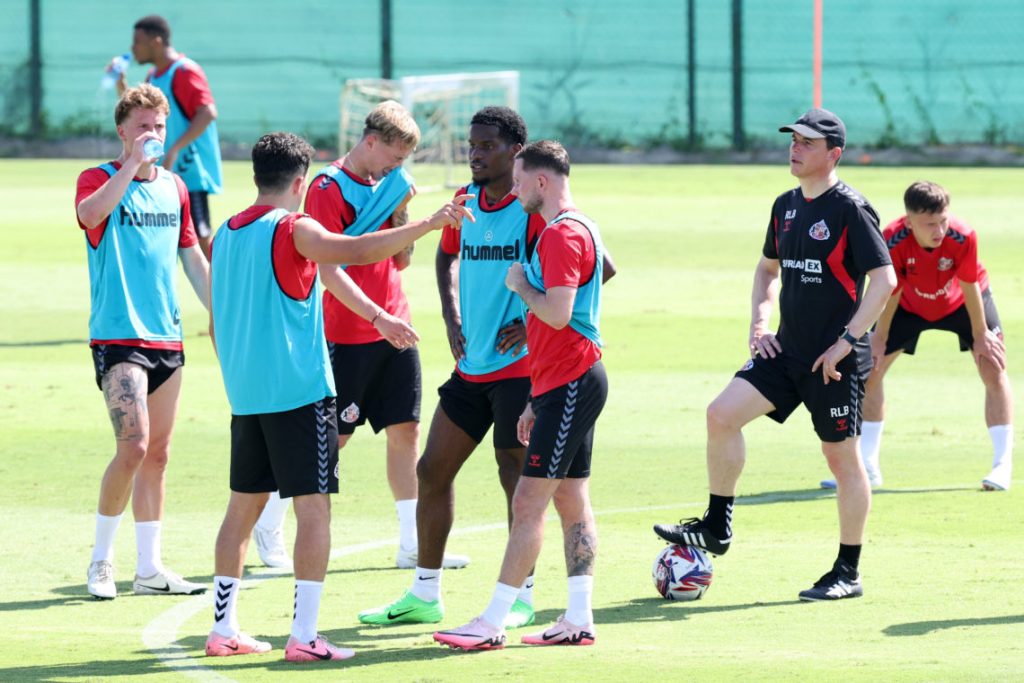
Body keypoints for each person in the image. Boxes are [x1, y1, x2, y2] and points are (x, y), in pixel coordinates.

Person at [204, 131, 474, 661]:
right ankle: (304, 635)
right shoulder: (294, 228)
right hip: (300, 394)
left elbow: (215, 325)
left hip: (248, 397)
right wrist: (432, 221)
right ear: (300, 182)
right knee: (315, 512)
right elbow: (357, 250)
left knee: (240, 511)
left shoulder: (227, 236)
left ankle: (223, 628)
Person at [653, 108, 897, 601]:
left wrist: (846, 342)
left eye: (807, 142)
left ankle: (847, 572)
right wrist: (759, 325)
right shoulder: (785, 205)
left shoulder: (851, 208)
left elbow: (885, 281)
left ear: (834, 153)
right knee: (720, 415)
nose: (795, 147)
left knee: (841, 461)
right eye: (793, 139)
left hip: (833, 363)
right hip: (785, 351)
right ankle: (717, 525)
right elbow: (767, 270)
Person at [251, 101, 466, 571]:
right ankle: (269, 520)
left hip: (396, 322)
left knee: (406, 431)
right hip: (349, 331)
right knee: (333, 440)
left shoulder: (390, 186)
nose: (398, 165)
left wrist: (401, 225)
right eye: (394, 154)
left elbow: (399, 260)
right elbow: (329, 269)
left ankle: (412, 541)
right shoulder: (328, 188)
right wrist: (376, 318)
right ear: (371, 141)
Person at [433, 140, 609, 650]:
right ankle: (578, 618)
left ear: (541, 182)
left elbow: (556, 312)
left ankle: (491, 622)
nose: (511, 190)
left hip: (573, 381)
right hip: (564, 381)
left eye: (518, 181)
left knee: (530, 502)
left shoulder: (560, 236)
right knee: (572, 500)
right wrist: (537, 395)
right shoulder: (580, 227)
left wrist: (519, 285)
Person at [76, 84, 210, 600]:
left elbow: (191, 256)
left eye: (158, 127)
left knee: (158, 454)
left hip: (166, 338)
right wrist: (131, 165)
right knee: (132, 446)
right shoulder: (99, 178)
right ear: (122, 131)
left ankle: (150, 568)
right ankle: (101, 561)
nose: (152, 135)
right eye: (141, 127)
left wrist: (222, 313)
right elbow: (90, 216)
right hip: (118, 336)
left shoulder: (175, 188)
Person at [821, 181, 1013, 491]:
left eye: (943, 221)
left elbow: (969, 284)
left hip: (962, 302)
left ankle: (1002, 465)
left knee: (992, 364)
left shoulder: (962, 236)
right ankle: (867, 466)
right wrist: (879, 338)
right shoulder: (892, 239)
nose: (939, 230)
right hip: (908, 306)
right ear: (909, 222)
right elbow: (890, 289)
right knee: (871, 370)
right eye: (929, 224)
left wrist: (980, 334)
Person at [114, 15, 222, 260]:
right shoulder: (154, 75)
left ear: (156, 41)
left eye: (137, 41)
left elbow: (207, 112)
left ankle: (220, 293)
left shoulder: (184, 71)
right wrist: (122, 87)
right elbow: (135, 113)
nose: (133, 48)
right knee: (162, 234)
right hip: (162, 171)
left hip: (189, 170)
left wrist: (174, 149)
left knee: (199, 238)